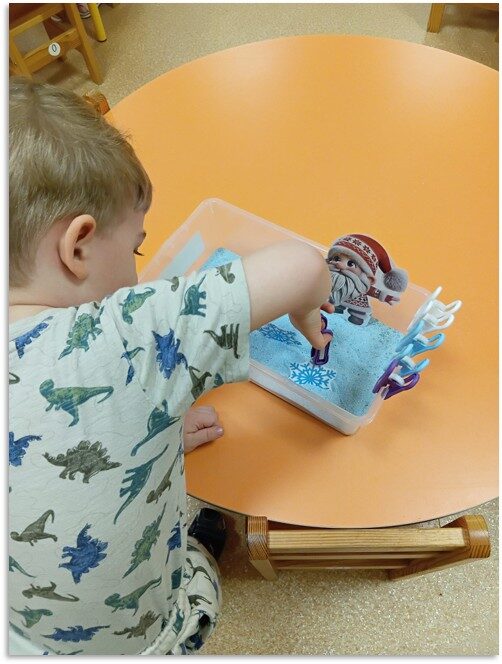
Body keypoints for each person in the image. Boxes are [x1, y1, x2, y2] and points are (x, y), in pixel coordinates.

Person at [8, 77, 333, 656]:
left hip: (24, 639)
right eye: (135, 247)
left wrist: (128, 438)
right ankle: (195, 585)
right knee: (184, 588)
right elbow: (304, 267)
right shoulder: (121, 335)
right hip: (134, 635)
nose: (140, 270)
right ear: (77, 246)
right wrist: (309, 310)